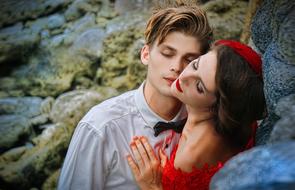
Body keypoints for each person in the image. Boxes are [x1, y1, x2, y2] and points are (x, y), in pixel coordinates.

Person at [57, 1, 213, 189]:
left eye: (189, 60)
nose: (177, 66)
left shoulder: (209, 123)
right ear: (146, 54)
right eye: (167, 53)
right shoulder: (99, 127)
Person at [126, 40, 266, 190]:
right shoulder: (229, 119)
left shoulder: (192, 154)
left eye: (199, 86)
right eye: (195, 65)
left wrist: (152, 186)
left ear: (217, 107)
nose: (184, 76)